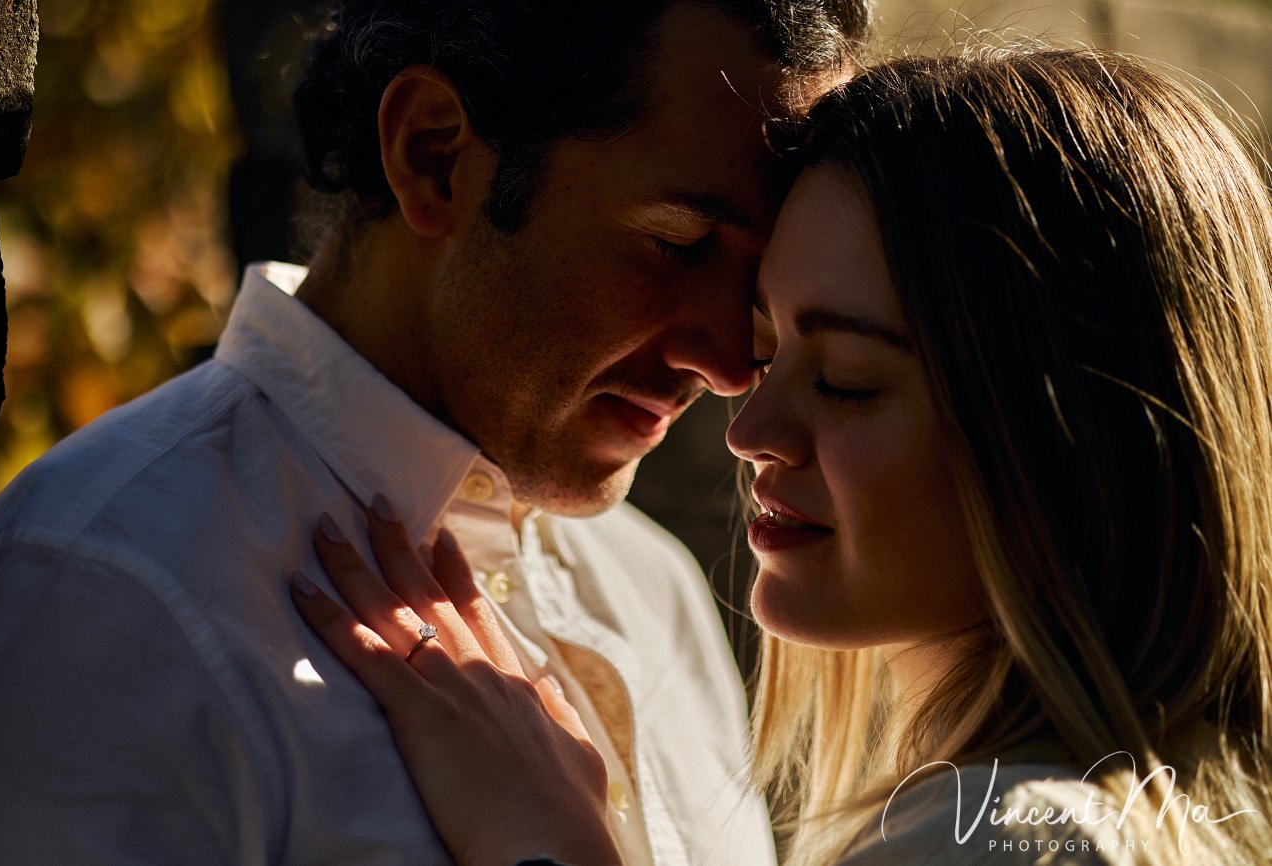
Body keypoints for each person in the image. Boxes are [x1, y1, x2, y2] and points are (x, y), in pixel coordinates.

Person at [291, 47, 1272, 865]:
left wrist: (541, 839)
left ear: (1072, 440)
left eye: (844, 377)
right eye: (766, 351)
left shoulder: (1013, 838)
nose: (747, 426)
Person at [0, 2, 866, 863]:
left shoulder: (656, 593)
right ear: (433, 154)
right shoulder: (110, 592)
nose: (727, 364)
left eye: (755, 284)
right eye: (678, 242)